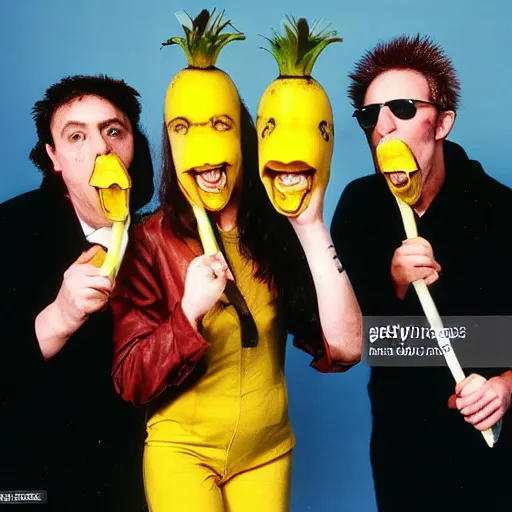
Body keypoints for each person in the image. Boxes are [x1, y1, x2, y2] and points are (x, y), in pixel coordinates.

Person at [109, 87, 362, 510]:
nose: (207, 151)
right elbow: (131, 378)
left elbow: (347, 347)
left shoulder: (280, 232)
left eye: (221, 125)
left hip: (267, 452)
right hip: (182, 452)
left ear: (243, 138)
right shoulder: (149, 240)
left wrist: (312, 226)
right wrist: (188, 310)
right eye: (186, 129)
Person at [331, 34, 512, 511]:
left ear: (442, 123)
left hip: (493, 446)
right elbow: (350, 339)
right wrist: (391, 281)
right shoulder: (359, 207)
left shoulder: (500, 209)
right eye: (371, 116)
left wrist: (504, 385)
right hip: (402, 447)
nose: (385, 127)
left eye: (405, 108)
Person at [0, 74, 154, 511]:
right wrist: (59, 317)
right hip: (31, 488)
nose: (100, 149)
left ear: (132, 147)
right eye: (76, 136)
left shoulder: (159, 238)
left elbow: (352, 347)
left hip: (133, 487)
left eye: (113, 131)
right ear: (55, 157)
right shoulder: (9, 232)